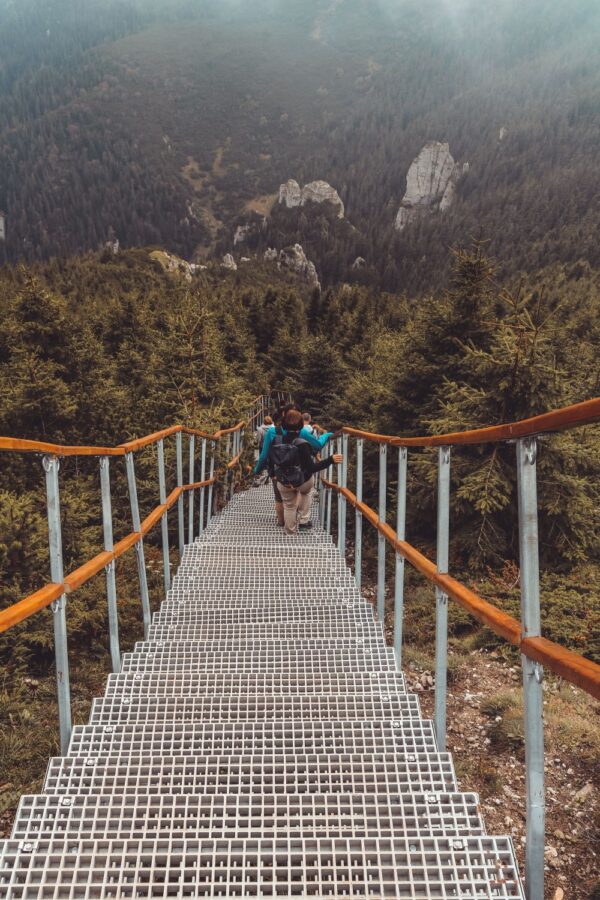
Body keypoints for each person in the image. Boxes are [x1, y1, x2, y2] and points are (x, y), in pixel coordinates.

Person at [269, 408, 342, 535]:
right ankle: (304, 521)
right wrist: (330, 460)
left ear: (284, 424)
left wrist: (273, 474)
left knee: (289, 505)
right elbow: (312, 468)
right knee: (306, 491)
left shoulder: (276, 440)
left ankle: (290, 532)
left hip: (283, 480)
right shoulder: (303, 444)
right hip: (302, 481)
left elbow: (270, 460)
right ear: (301, 426)